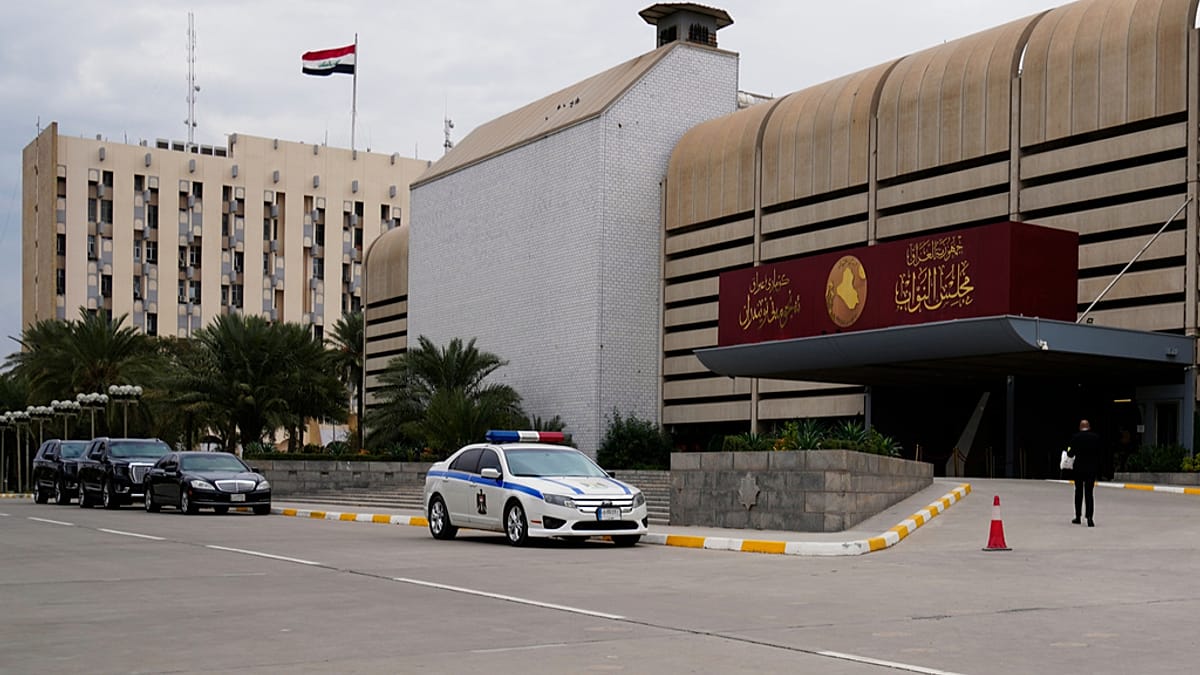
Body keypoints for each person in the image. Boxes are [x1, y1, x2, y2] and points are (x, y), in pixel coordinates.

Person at [1067, 419, 1102, 527]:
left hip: (1079, 468)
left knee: (1078, 492)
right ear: (1089, 427)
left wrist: (1069, 450)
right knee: (1089, 493)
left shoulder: (1075, 437)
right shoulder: (1095, 438)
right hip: (1091, 468)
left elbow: (1070, 453)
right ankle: (1090, 518)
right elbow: (1100, 452)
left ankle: (1078, 516)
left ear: (1080, 427)